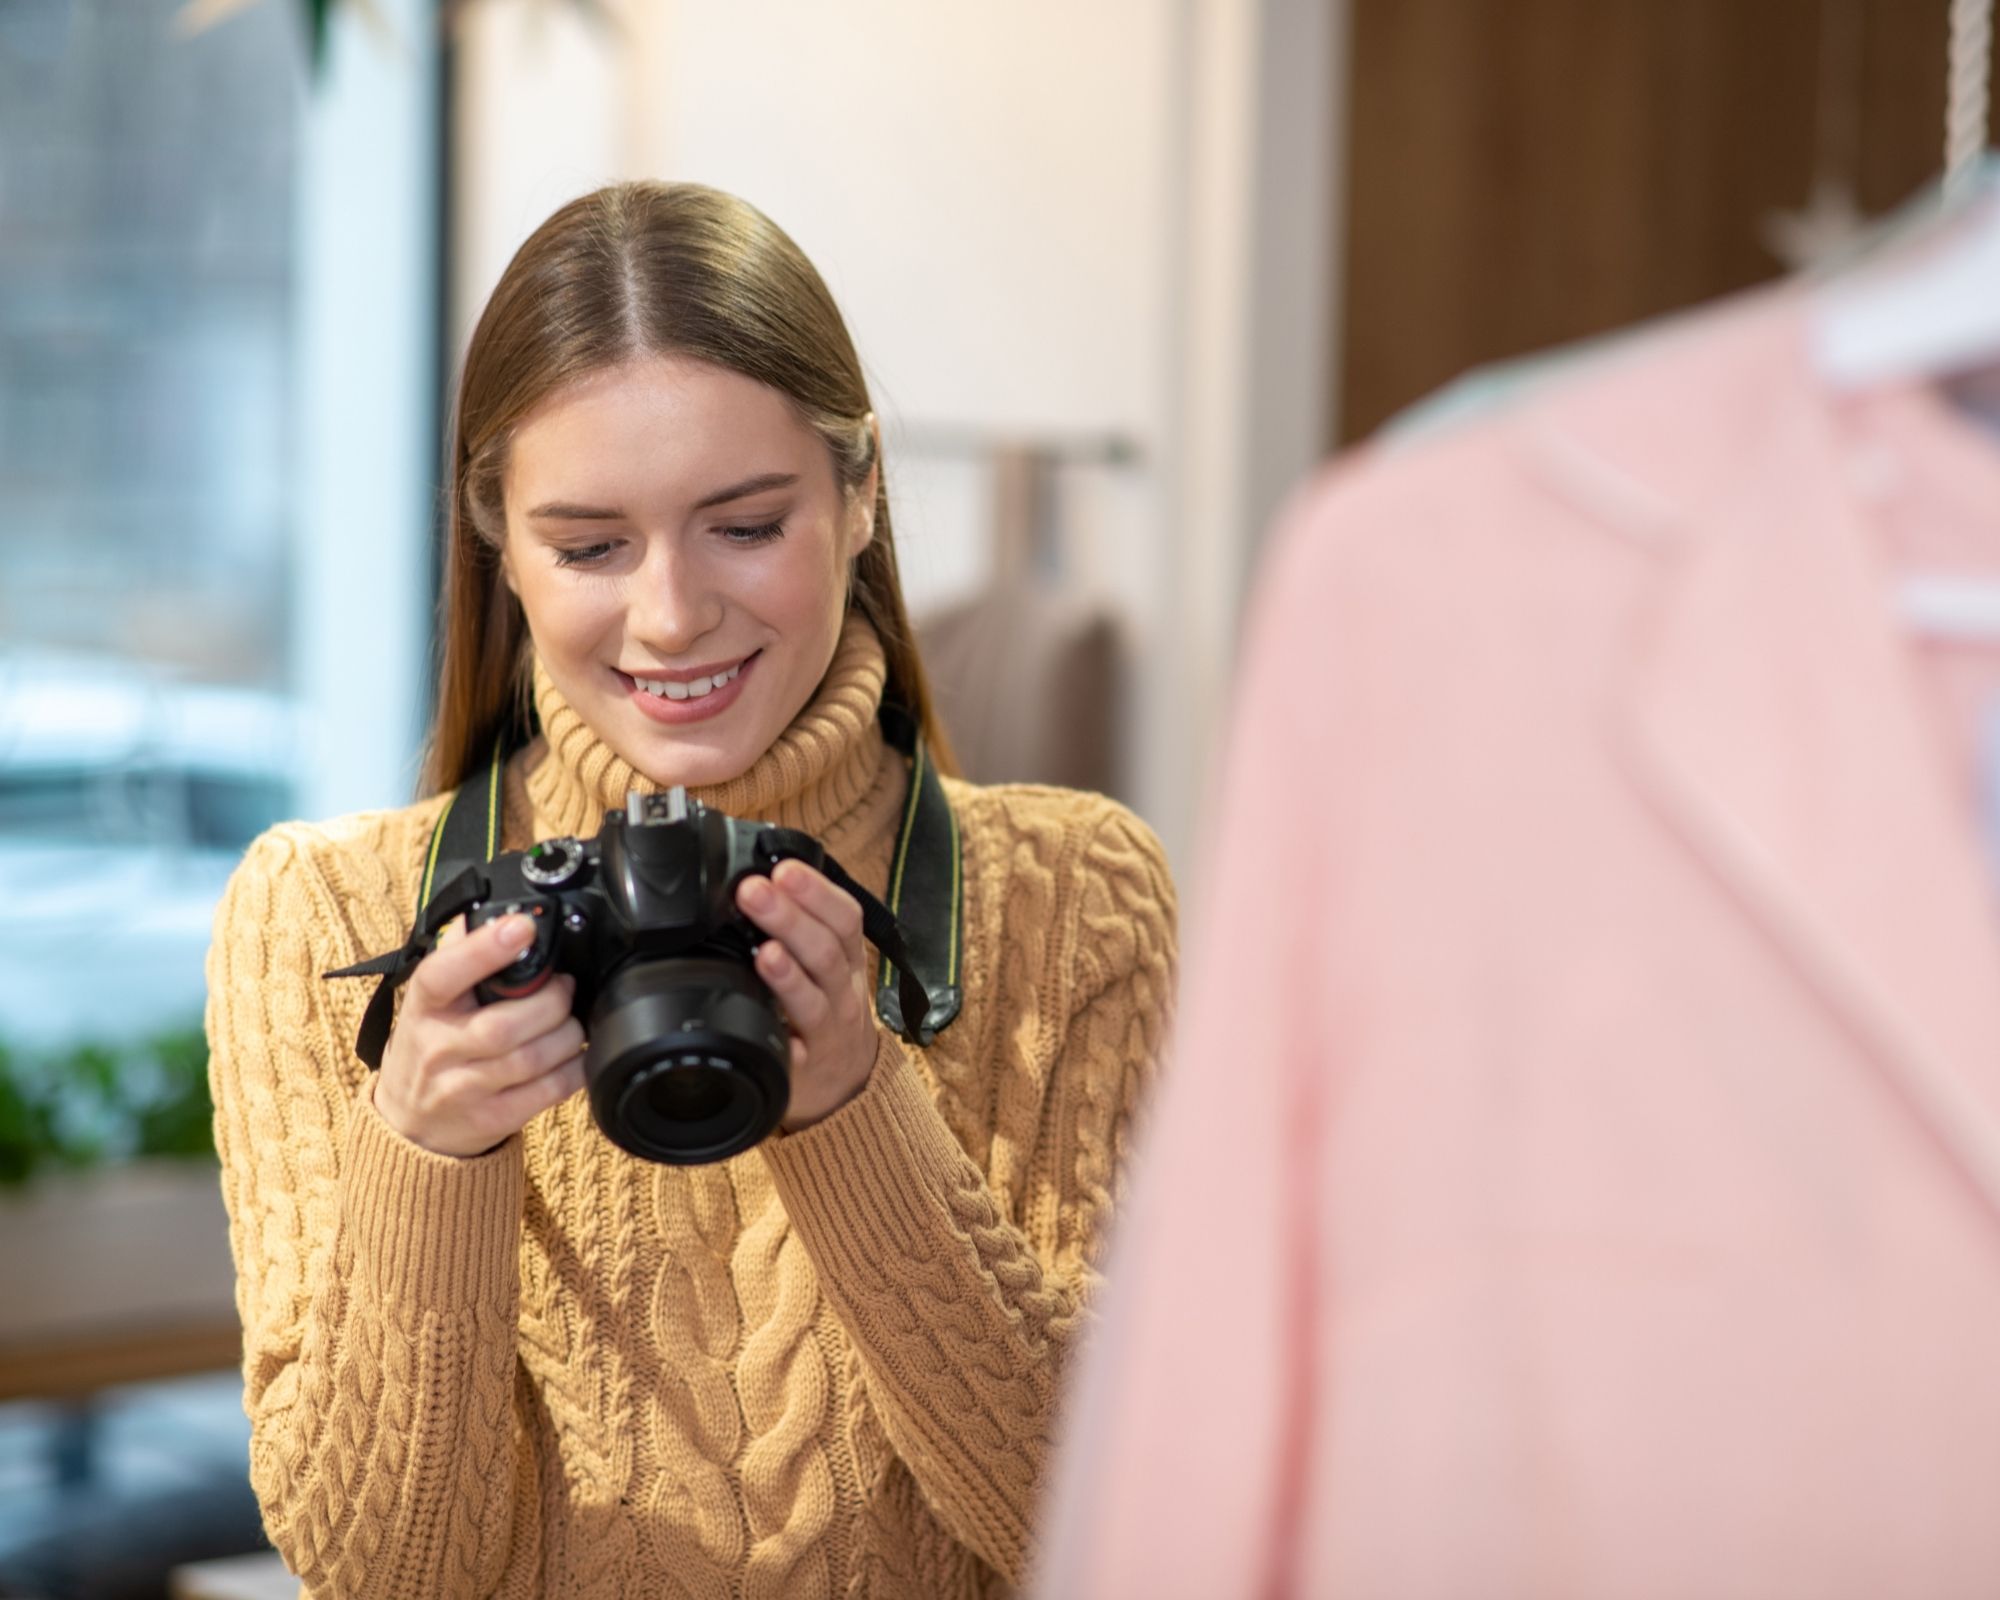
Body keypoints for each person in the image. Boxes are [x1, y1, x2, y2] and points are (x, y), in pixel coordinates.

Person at [203, 180, 1176, 1600]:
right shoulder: (326, 919)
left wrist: (853, 1105)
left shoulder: (1074, 896)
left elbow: (1101, 1534)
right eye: (590, 546)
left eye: (744, 524)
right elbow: (384, 1575)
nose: (670, 615)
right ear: (502, 544)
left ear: (858, 501)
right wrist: (428, 1151)